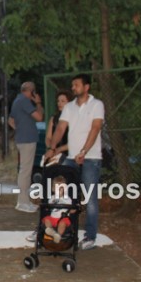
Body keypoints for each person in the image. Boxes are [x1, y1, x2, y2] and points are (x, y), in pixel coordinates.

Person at [47, 74, 104, 251]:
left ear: (86, 87)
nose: (73, 88)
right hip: (71, 158)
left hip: (91, 158)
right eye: (72, 85)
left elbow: (95, 128)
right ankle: (57, 227)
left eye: (76, 85)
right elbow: (60, 128)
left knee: (90, 199)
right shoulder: (69, 107)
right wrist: (52, 147)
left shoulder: (97, 105)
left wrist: (84, 151)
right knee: (61, 192)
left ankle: (90, 237)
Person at [9, 81, 44, 212]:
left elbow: (11, 120)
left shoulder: (17, 100)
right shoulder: (24, 101)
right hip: (27, 140)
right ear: (31, 91)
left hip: (22, 139)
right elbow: (39, 117)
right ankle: (22, 202)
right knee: (25, 172)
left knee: (25, 171)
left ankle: (24, 200)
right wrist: (38, 103)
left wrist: (19, 130)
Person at [41, 176, 73, 244]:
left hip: (63, 218)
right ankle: (52, 232)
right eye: (57, 188)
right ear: (53, 189)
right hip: (53, 217)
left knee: (62, 223)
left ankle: (58, 235)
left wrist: (72, 210)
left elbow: (71, 209)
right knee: (47, 219)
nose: (59, 190)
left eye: (61, 188)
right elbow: (49, 206)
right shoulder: (52, 198)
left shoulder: (67, 199)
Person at [44, 90, 72, 163]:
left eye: (63, 101)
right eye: (58, 101)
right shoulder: (54, 118)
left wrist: (58, 149)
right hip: (54, 153)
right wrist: (51, 149)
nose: (59, 103)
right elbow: (48, 137)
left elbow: (74, 141)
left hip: (69, 154)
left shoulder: (73, 118)